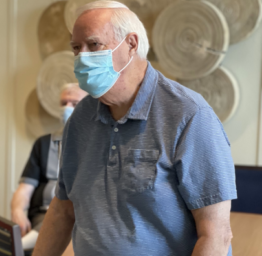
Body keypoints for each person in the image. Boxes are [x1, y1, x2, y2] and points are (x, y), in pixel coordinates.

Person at [34, 1, 236, 255]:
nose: (82, 57)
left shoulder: (190, 115)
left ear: (131, 44)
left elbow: (217, 234)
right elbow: (63, 210)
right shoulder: (80, 119)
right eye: (76, 48)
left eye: (93, 44)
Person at [11, 83, 87, 249]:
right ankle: (17, 247)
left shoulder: (95, 146)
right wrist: (17, 211)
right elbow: (24, 189)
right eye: (63, 103)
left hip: (76, 219)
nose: (67, 109)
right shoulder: (44, 144)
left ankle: (16, 247)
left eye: (74, 103)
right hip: (42, 215)